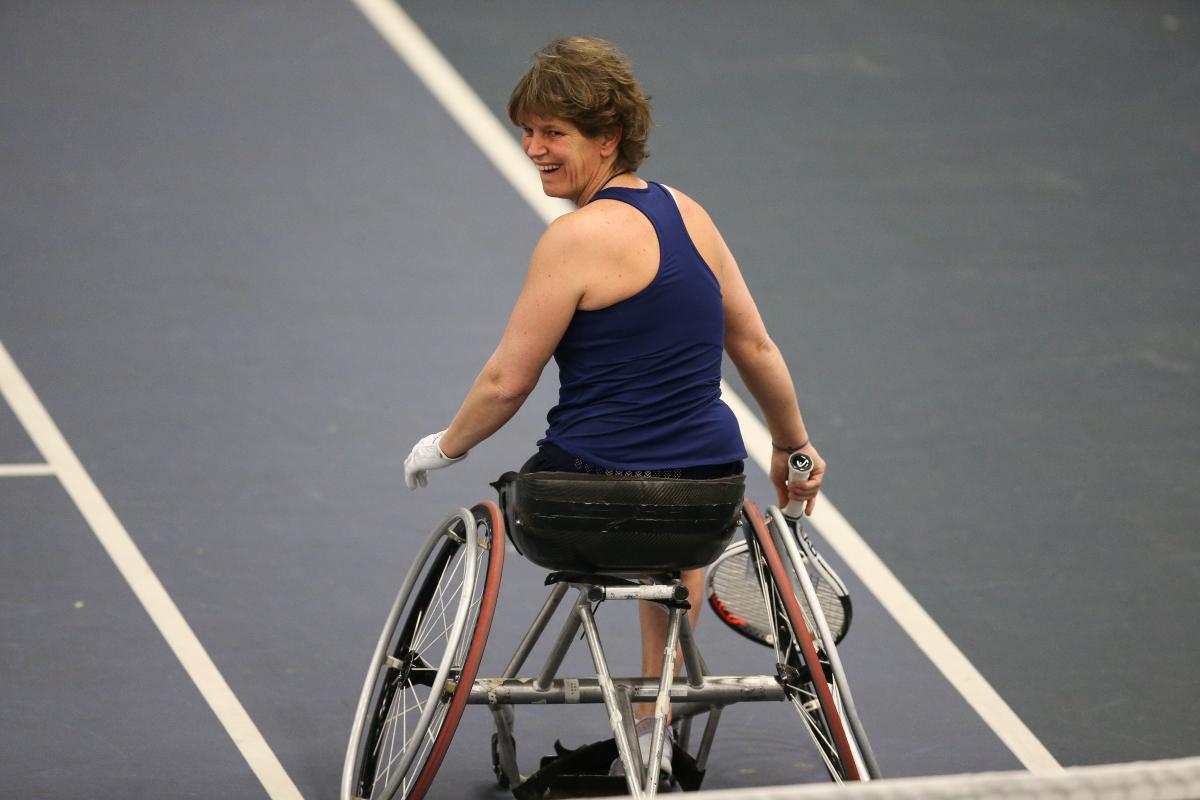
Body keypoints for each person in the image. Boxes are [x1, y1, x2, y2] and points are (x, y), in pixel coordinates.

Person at [403, 36, 825, 778]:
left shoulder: (575, 239)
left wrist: (447, 446)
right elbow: (754, 345)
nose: (534, 147)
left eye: (553, 133)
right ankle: (650, 712)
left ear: (608, 138)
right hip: (709, 500)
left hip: (581, 505)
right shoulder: (690, 216)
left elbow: (508, 380)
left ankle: (642, 713)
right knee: (678, 506)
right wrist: (793, 450)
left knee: (561, 493)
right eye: (527, 131)